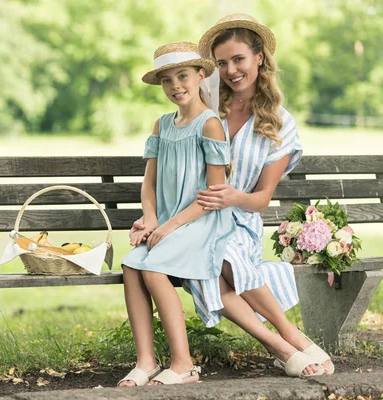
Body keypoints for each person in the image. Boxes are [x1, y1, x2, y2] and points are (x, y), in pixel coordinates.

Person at [130, 14, 334, 378]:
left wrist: (231, 197)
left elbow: (260, 200)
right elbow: (170, 166)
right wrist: (156, 216)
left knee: (222, 256)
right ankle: (285, 344)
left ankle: (287, 337)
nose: (230, 70)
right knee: (207, 261)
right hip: (190, 214)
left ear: (259, 58)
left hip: (239, 219)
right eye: (222, 63)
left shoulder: (279, 124)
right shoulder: (209, 107)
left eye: (238, 59)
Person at [118, 41, 235, 387]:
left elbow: (212, 197)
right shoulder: (161, 125)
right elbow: (148, 185)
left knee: (153, 267)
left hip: (200, 223)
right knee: (131, 263)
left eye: (183, 76)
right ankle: (146, 362)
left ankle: (183, 364)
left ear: (201, 75)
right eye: (167, 80)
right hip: (168, 223)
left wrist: (168, 226)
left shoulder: (210, 125)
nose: (176, 86)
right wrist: (151, 218)